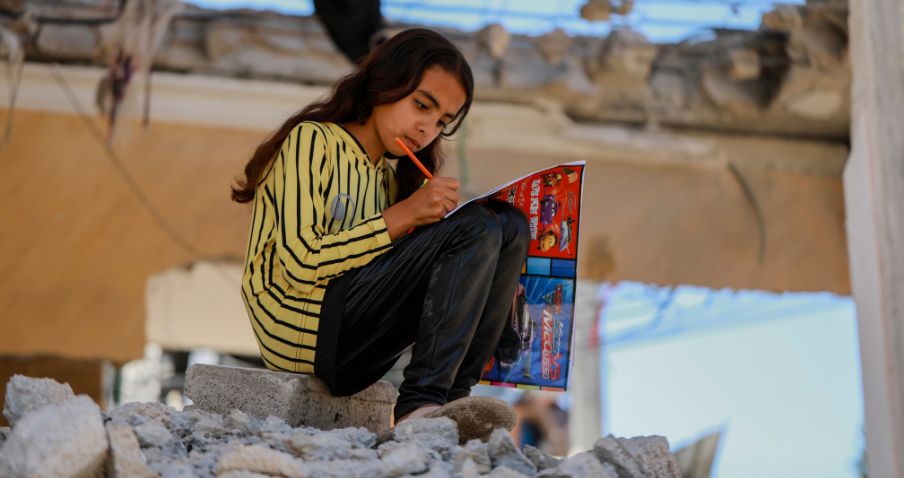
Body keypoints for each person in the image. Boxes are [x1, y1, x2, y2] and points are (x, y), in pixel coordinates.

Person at [231, 28, 530, 437]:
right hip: (300, 329)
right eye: (422, 105)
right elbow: (300, 264)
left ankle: (456, 401)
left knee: (508, 224)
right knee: (475, 228)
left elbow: (397, 282)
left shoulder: (389, 180)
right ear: (384, 84)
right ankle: (419, 404)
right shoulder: (313, 141)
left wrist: (472, 264)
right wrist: (402, 217)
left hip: (354, 342)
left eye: (441, 122)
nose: (427, 128)